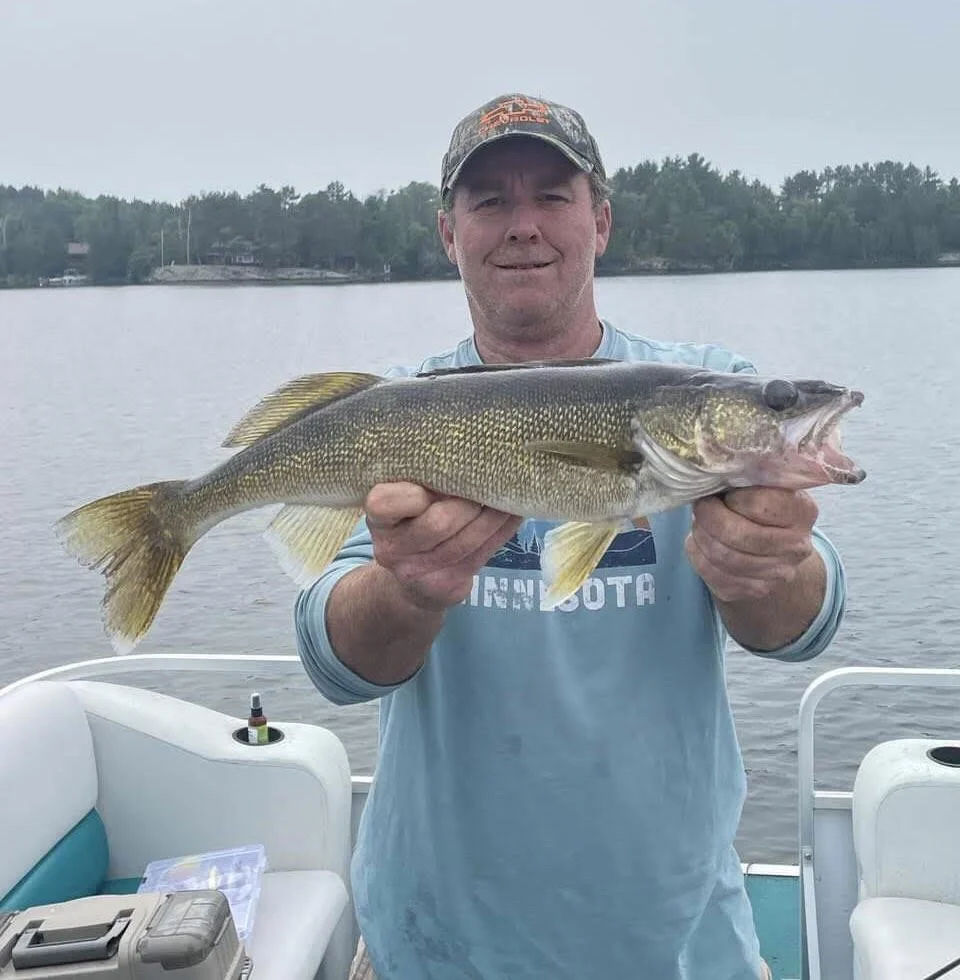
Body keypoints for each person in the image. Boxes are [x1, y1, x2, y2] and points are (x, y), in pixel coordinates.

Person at [295, 93, 846, 980]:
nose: (524, 226)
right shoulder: (394, 408)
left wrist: (770, 568)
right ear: (448, 233)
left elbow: (797, 627)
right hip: (440, 942)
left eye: (552, 196)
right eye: (490, 202)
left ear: (601, 220)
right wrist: (405, 588)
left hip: (671, 939)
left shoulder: (711, 386)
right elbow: (336, 661)